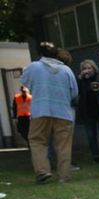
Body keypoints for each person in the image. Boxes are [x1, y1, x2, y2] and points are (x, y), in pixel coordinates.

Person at [20, 41, 77, 184]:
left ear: (40, 54)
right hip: (63, 112)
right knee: (63, 144)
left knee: (38, 141)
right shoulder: (66, 70)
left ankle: (43, 171)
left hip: (41, 110)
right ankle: (64, 176)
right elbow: (74, 92)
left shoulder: (34, 67)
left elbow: (25, 82)